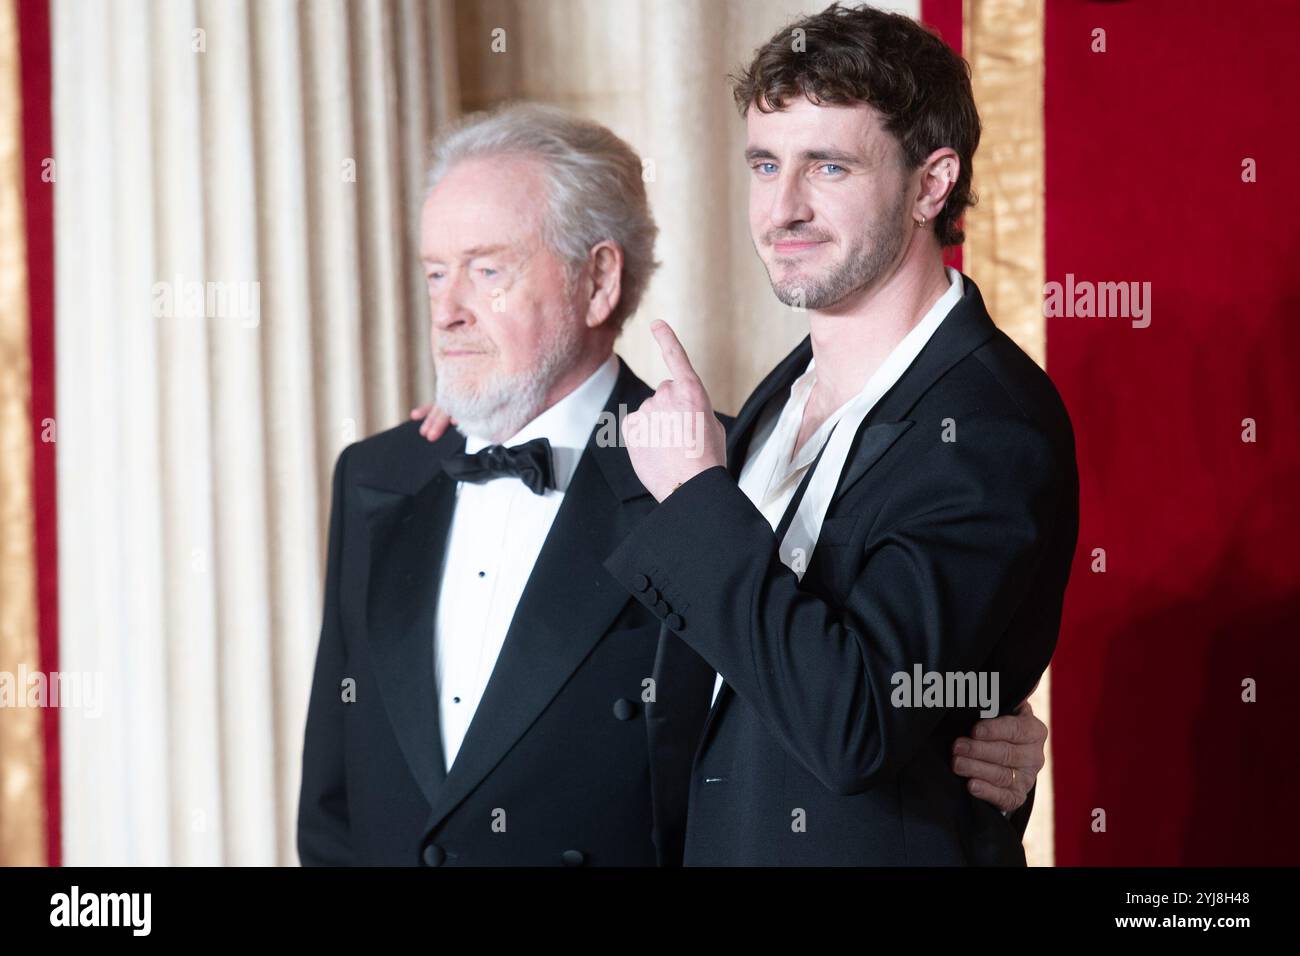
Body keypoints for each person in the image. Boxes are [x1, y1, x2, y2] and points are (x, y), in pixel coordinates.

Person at [313, 97, 1044, 867]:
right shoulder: (378, 477)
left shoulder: (725, 474)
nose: (448, 312)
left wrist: (966, 718)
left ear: (598, 281)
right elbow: (334, 799)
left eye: (488, 270)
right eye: (436, 274)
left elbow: (828, 704)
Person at [600, 3, 1079, 864]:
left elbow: (858, 724)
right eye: (764, 164)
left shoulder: (990, 427)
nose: (782, 209)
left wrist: (699, 500)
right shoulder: (775, 402)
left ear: (932, 184)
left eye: (827, 167)